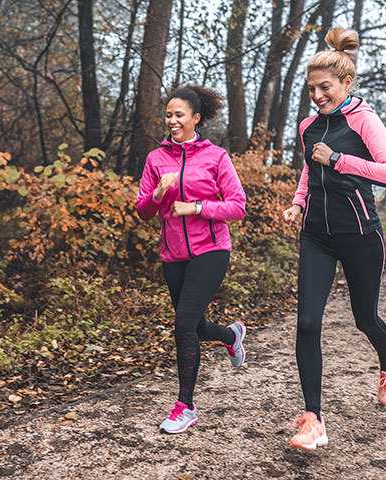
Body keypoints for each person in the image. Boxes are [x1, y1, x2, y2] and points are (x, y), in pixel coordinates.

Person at [283, 27, 386, 451]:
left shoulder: (364, 120)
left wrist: (340, 159)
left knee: (364, 319)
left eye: (325, 87)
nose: (317, 95)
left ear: (346, 83)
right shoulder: (308, 127)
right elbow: (307, 171)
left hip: (360, 235)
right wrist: (298, 203)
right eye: (312, 88)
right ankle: (313, 418)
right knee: (307, 322)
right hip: (316, 234)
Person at [136, 85, 247, 434]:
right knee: (195, 326)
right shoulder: (157, 159)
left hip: (211, 250)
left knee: (183, 325)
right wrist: (158, 194)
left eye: (178, 115)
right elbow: (143, 212)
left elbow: (238, 206)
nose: (171, 120)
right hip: (173, 254)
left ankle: (185, 406)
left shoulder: (215, 157)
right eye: (168, 115)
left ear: (195, 119)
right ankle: (230, 336)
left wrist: (197, 207)